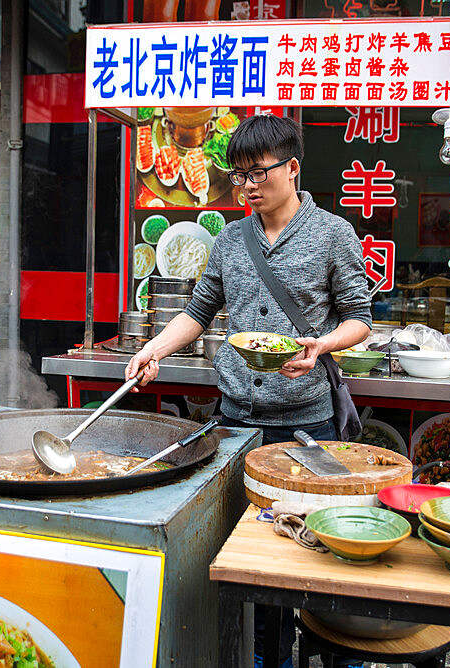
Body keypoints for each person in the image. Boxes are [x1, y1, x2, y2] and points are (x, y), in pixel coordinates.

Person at [125, 114, 372, 668]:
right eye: (238, 176)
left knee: (303, 556)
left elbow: (361, 319)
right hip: (236, 422)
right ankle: (256, 656)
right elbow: (198, 309)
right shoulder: (231, 239)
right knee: (242, 558)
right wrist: (155, 350)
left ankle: (308, 654)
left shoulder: (333, 233)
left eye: (257, 173)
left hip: (304, 427)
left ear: (292, 168)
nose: (248, 186)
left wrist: (319, 346)